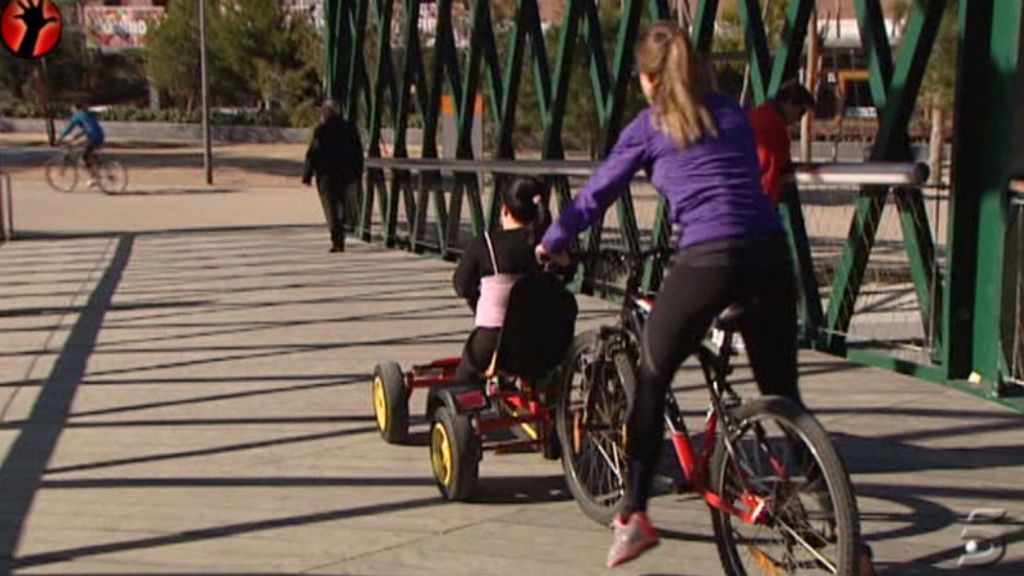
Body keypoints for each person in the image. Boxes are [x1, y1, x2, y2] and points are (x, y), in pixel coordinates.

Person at [536, 22, 801, 568]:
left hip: (708, 259)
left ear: (650, 77)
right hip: (772, 255)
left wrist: (552, 241)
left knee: (653, 375)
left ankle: (634, 516)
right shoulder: (729, 111)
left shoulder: (650, 125)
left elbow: (596, 194)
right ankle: (828, 516)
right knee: (784, 396)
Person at [450, 177, 550, 389]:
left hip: (493, 338)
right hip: (539, 338)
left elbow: (461, 285)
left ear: (505, 210)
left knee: (463, 378)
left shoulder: (485, 244)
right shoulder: (547, 244)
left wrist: (477, 301)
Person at [302, 101, 364, 252]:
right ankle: (343, 229)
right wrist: (358, 172)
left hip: (326, 176)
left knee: (331, 209)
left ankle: (337, 240)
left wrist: (307, 175)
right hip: (346, 174)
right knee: (343, 205)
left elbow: (313, 153)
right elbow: (358, 152)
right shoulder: (350, 128)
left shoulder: (321, 130)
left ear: (327, 113)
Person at [748, 81, 816, 205]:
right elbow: (775, 163)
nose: (798, 119)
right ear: (789, 103)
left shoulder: (758, 115)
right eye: (801, 113)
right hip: (758, 198)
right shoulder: (774, 126)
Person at [56, 103, 106, 188]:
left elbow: (69, 128)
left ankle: (94, 177)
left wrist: (60, 138)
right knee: (90, 154)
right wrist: (75, 138)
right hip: (99, 136)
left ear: (75, 108)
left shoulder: (78, 115)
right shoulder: (86, 114)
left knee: (84, 157)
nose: (71, 110)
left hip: (93, 137)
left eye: (72, 108)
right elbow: (86, 130)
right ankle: (98, 169)